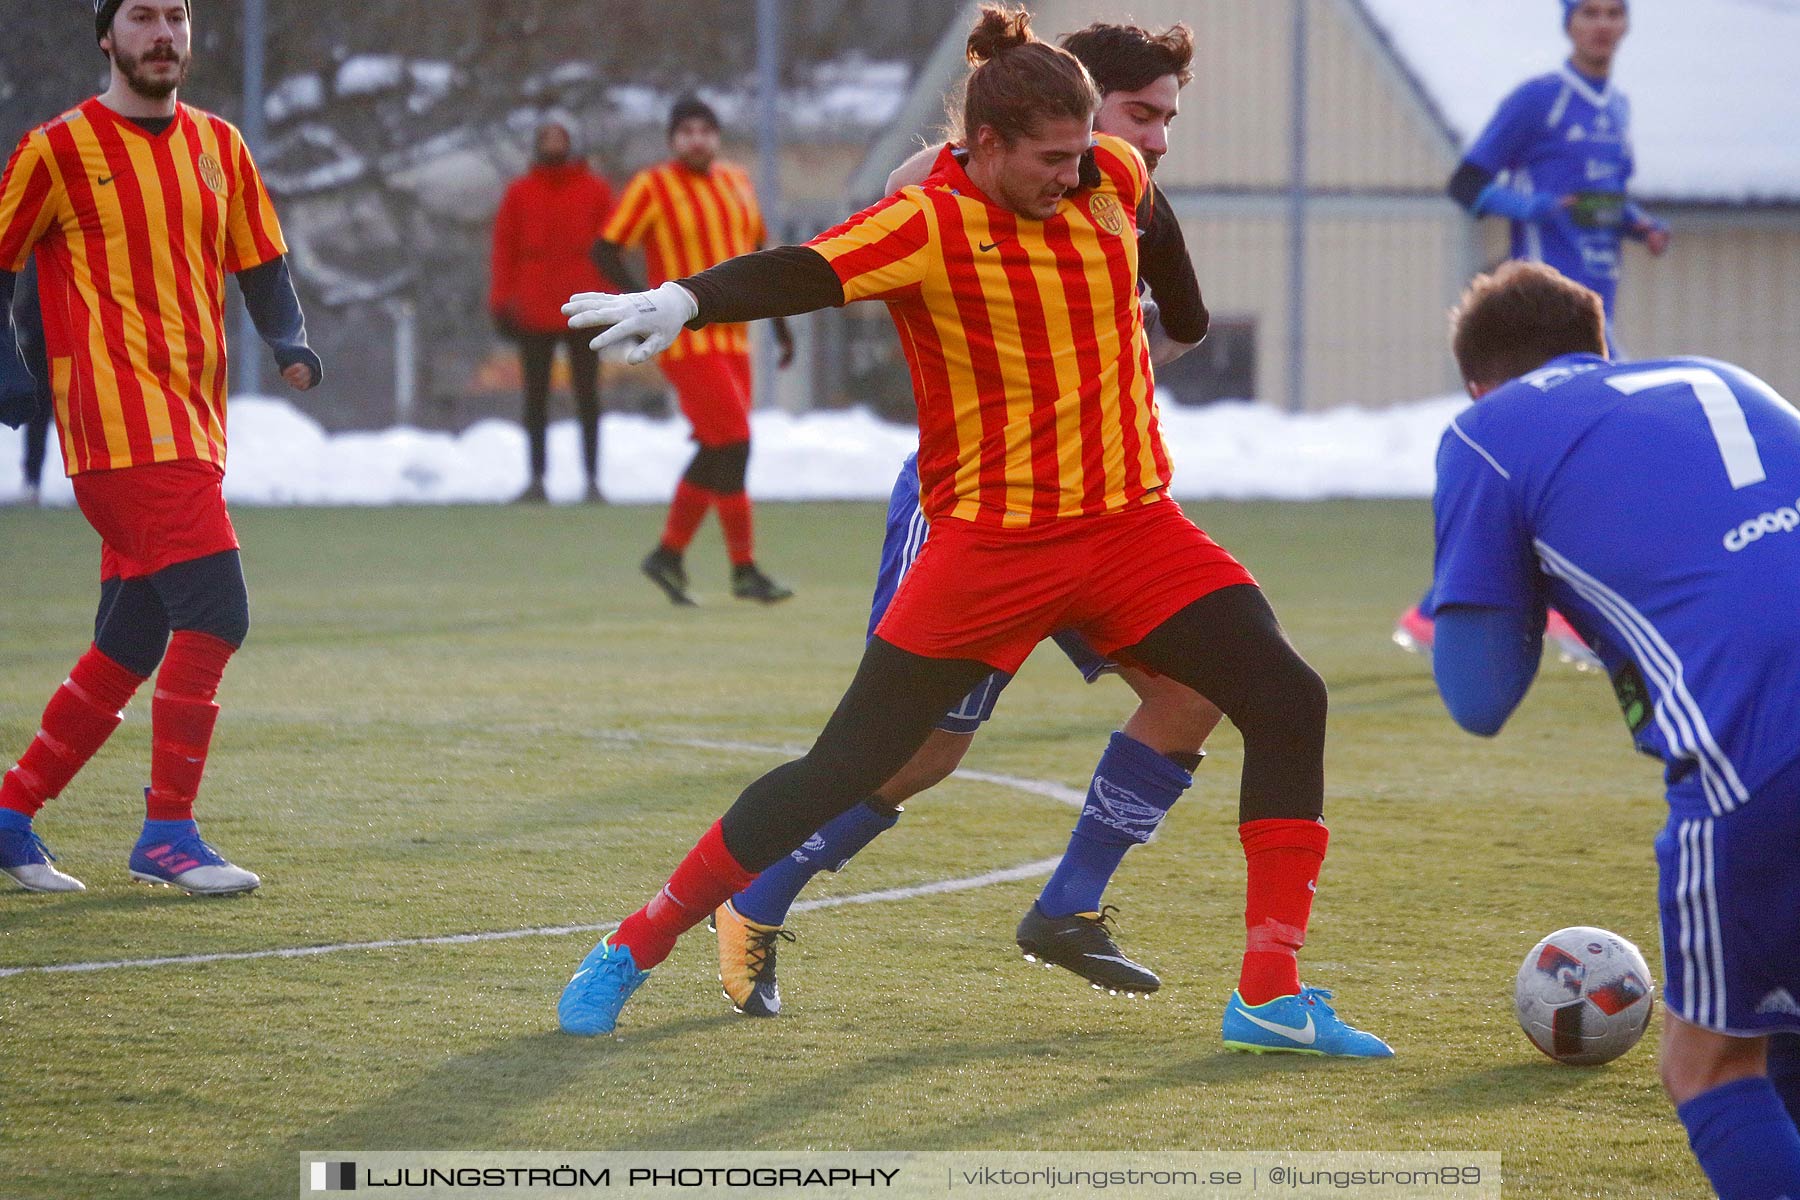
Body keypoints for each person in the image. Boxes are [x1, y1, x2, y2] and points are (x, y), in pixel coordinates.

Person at [556, 4, 1391, 1059]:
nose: (1076, 175)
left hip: (1132, 529)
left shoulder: (1115, 182)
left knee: (1286, 697)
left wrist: (1172, 325)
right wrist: (687, 297)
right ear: (983, 146)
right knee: (849, 764)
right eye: (1051, 158)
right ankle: (636, 944)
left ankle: (1268, 993)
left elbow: (1165, 257)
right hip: (993, 550)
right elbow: (805, 269)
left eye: (1086, 152)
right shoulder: (927, 222)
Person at [711, 20, 1219, 1020]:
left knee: (1191, 692)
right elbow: (909, 194)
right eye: (1140, 116)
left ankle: (1068, 907)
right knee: (922, 753)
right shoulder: (957, 192)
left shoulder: (1112, 196)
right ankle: (753, 900)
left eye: (1166, 121)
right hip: (980, 523)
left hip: (1100, 522)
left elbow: (1185, 315)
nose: (1154, 141)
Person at [1427, 260, 1800, 1200]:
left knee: (1711, 1066)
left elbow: (1479, 696)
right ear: (1602, 349)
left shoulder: (1487, 433)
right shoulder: (1722, 377)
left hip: (1761, 740)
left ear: (1480, 382)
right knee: (1785, 1019)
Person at [0, 0, 321, 895]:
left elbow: (261, 263)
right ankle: (168, 833)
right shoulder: (57, 148)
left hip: (191, 426)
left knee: (133, 635)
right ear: (107, 36)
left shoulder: (220, 145)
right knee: (218, 610)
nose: (164, 34)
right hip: (118, 431)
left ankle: (11, 812)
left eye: (176, 16)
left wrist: (288, 340)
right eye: (142, 17)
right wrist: (11, 372)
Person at [1396, 0, 1670, 658]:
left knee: (1554, 467)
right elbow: (1466, 184)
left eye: (1614, 13)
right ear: (1569, 24)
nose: (1602, 24)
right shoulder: (1541, 100)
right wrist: (1538, 207)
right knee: (1612, 455)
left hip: (1594, 315)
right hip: (1545, 319)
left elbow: (1598, 198)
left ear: (1625, 25)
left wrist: (1636, 222)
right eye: (1590, 13)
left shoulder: (1616, 109)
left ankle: (1441, 611)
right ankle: (1570, 610)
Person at [593, 96, 794, 606]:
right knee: (734, 441)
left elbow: (761, 264)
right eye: (685, 131)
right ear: (671, 140)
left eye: (705, 130)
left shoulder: (737, 184)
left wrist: (782, 325)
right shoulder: (653, 186)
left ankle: (669, 556)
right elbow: (605, 248)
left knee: (719, 446)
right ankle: (743, 568)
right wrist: (638, 309)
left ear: (718, 137)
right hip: (686, 340)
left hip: (735, 339)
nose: (696, 139)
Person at [489, 118, 613, 504]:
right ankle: (536, 478)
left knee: (587, 394)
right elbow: (504, 248)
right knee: (535, 396)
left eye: (561, 138)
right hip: (535, 303)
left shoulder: (595, 190)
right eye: (548, 138)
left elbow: (611, 246)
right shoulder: (520, 193)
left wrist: (611, 298)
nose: (555, 144)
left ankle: (592, 479)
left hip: (583, 302)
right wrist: (500, 299)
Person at [2, 258, 52, 507]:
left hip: (40, 331)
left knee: (40, 407)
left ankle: (34, 478)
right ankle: (33, 478)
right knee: (39, 407)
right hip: (37, 332)